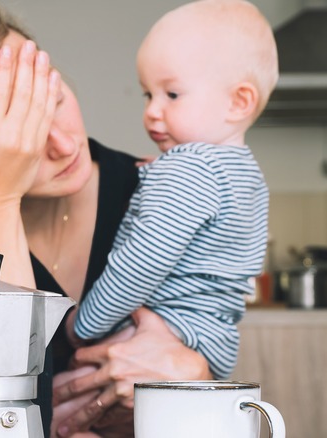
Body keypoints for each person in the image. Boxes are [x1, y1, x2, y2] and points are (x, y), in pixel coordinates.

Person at [0, 1, 211, 437]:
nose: (65, 145)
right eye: (20, 134)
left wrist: (199, 379)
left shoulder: (164, 195)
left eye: (53, 98)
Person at [68, 0, 277, 381]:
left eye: (172, 95)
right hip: (211, 341)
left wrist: (84, 325)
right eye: (148, 94)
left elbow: (142, 262)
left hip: (166, 328)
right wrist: (160, 177)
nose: (151, 110)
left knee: (58, 405)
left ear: (238, 101)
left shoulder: (189, 169)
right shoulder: (246, 174)